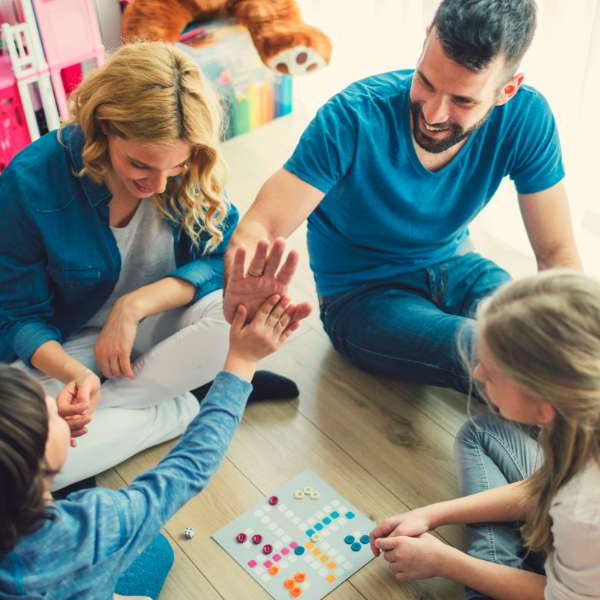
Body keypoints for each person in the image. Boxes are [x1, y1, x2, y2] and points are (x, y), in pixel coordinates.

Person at [223, 0, 582, 394]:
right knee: (490, 351)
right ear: (426, 38)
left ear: (507, 90)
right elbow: (263, 223)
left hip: (460, 268)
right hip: (362, 298)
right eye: (426, 82)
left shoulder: (527, 116)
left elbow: (556, 253)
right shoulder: (351, 118)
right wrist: (241, 279)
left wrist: (574, 339)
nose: (433, 112)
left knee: (542, 343)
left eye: (463, 101)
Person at [0, 42, 306, 492]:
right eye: (139, 165)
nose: (158, 185)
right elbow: (17, 316)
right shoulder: (31, 182)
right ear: (103, 128)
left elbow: (221, 257)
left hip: (153, 330)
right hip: (66, 345)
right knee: (17, 473)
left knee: (237, 318)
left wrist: (135, 304)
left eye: (176, 166)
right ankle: (189, 405)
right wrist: (76, 376)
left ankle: (123, 413)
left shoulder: (192, 172)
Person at [0, 273, 301, 600]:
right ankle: (196, 398)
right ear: (44, 460)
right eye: (49, 416)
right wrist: (243, 362)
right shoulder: (98, 525)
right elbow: (189, 467)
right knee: (156, 549)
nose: (54, 407)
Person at [369, 271, 600, 599]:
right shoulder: (578, 418)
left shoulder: (585, 510)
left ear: (544, 404)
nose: (477, 373)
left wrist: (446, 562)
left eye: (490, 373)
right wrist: (433, 513)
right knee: (482, 432)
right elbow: (545, 486)